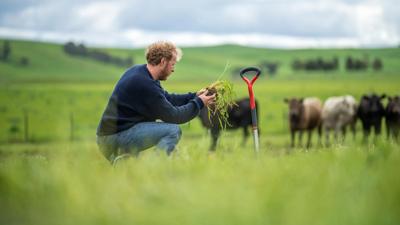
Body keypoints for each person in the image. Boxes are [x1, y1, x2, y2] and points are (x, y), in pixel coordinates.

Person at [96, 41, 215, 165]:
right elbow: (174, 116)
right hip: (112, 139)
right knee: (172, 130)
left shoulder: (141, 73)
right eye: (172, 64)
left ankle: (123, 161)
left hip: (113, 135)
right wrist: (199, 103)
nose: (173, 69)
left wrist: (194, 96)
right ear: (163, 62)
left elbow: (167, 99)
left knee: (130, 172)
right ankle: (154, 166)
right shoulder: (145, 84)